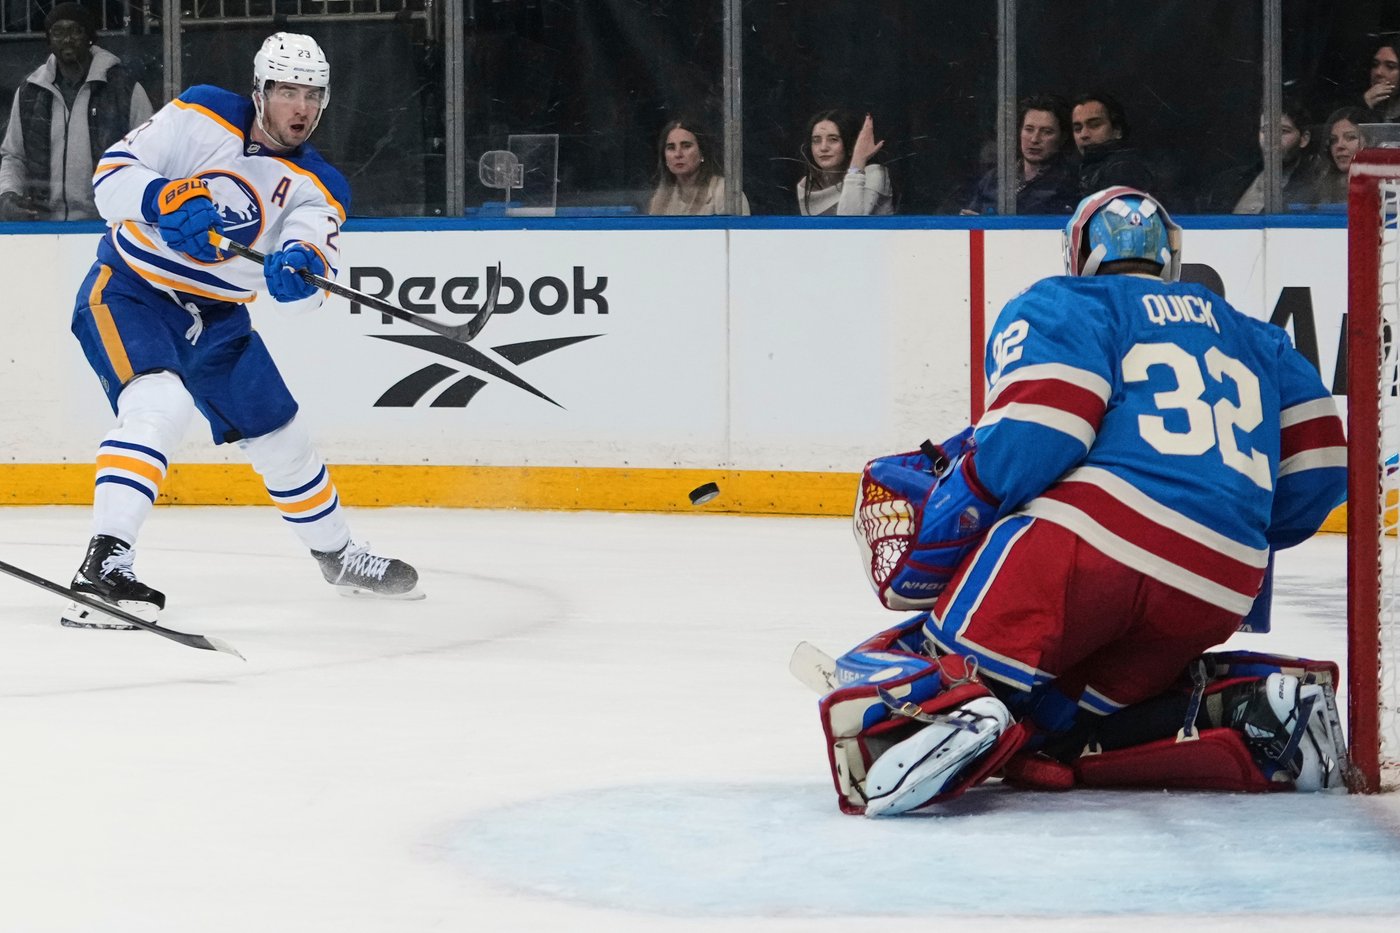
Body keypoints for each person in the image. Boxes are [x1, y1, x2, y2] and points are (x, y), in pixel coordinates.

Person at [815, 186, 1348, 816]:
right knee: (1064, 724)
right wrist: (1234, 520)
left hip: (1092, 545)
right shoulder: (1262, 339)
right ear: (1169, 255)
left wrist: (967, 503)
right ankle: (1248, 707)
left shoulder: (1068, 302)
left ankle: (946, 717)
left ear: (1079, 251)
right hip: (1221, 583)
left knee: (954, 669)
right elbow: (1319, 474)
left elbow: (1042, 431)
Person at [61, 31, 422, 631]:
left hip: (221, 319)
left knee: (283, 438)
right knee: (159, 404)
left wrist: (301, 273)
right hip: (132, 292)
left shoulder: (322, 185)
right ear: (260, 91)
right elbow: (110, 178)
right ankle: (103, 568)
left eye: (313, 95)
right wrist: (162, 198)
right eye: (287, 92)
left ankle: (338, 557)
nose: (302, 108)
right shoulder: (201, 112)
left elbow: (309, 276)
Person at [0, 2, 153, 221]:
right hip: (42, 228)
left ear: (90, 37)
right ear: (49, 40)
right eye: (58, 32)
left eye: (76, 31)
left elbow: (148, 154)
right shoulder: (30, 91)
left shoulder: (123, 88)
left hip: (109, 223)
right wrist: (8, 196)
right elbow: (14, 156)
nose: (67, 39)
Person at [1196, 97, 1318, 213]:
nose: (1272, 140)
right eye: (1266, 130)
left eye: (1283, 131)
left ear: (1304, 139)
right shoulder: (1228, 181)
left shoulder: (1317, 187)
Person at [962, 95, 1077, 215]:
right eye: (1029, 129)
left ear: (1063, 137)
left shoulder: (1070, 184)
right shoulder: (993, 179)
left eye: (1047, 132)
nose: (1034, 139)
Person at [796, 109, 893, 216]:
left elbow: (849, 223)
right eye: (816, 140)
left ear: (851, 145)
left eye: (833, 139)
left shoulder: (874, 173)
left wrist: (858, 161)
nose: (823, 148)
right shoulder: (807, 185)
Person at [645, 118, 749, 215]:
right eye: (671, 148)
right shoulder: (660, 199)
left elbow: (742, 233)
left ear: (702, 152)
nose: (678, 154)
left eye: (686, 146)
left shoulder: (726, 193)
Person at [1070, 92, 1158, 196]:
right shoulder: (1080, 169)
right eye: (1077, 128)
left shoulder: (1125, 170)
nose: (1084, 134)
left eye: (1095, 125)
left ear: (1117, 130)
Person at [1310, 106, 1369, 205]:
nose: (1339, 146)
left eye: (1350, 137)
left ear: (1371, 141)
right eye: (1333, 140)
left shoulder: (1391, 186)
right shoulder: (1318, 188)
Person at [1361, 38, 1400, 122]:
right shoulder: (1362, 101)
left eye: (1390, 66)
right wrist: (1364, 105)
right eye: (1375, 65)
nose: (1378, 73)